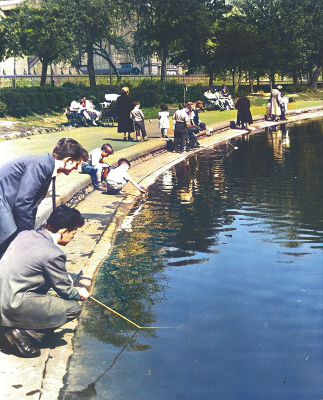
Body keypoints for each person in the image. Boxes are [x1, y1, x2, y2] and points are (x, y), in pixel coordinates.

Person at [0, 205, 90, 358]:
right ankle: (22, 333)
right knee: (73, 308)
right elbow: (65, 291)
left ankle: (12, 326)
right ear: (63, 232)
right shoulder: (53, 254)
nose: (73, 237)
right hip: (11, 303)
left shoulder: (25, 234)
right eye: (74, 233)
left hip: (4, 295)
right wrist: (79, 293)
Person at [0, 138, 85, 257]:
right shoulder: (41, 165)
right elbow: (24, 202)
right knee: (10, 246)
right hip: (3, 203)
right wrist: (28, 235)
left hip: (6, 202)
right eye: (77, 164)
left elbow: (31, 203)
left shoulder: (47, 165)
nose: (77, 169)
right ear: (69, 160)